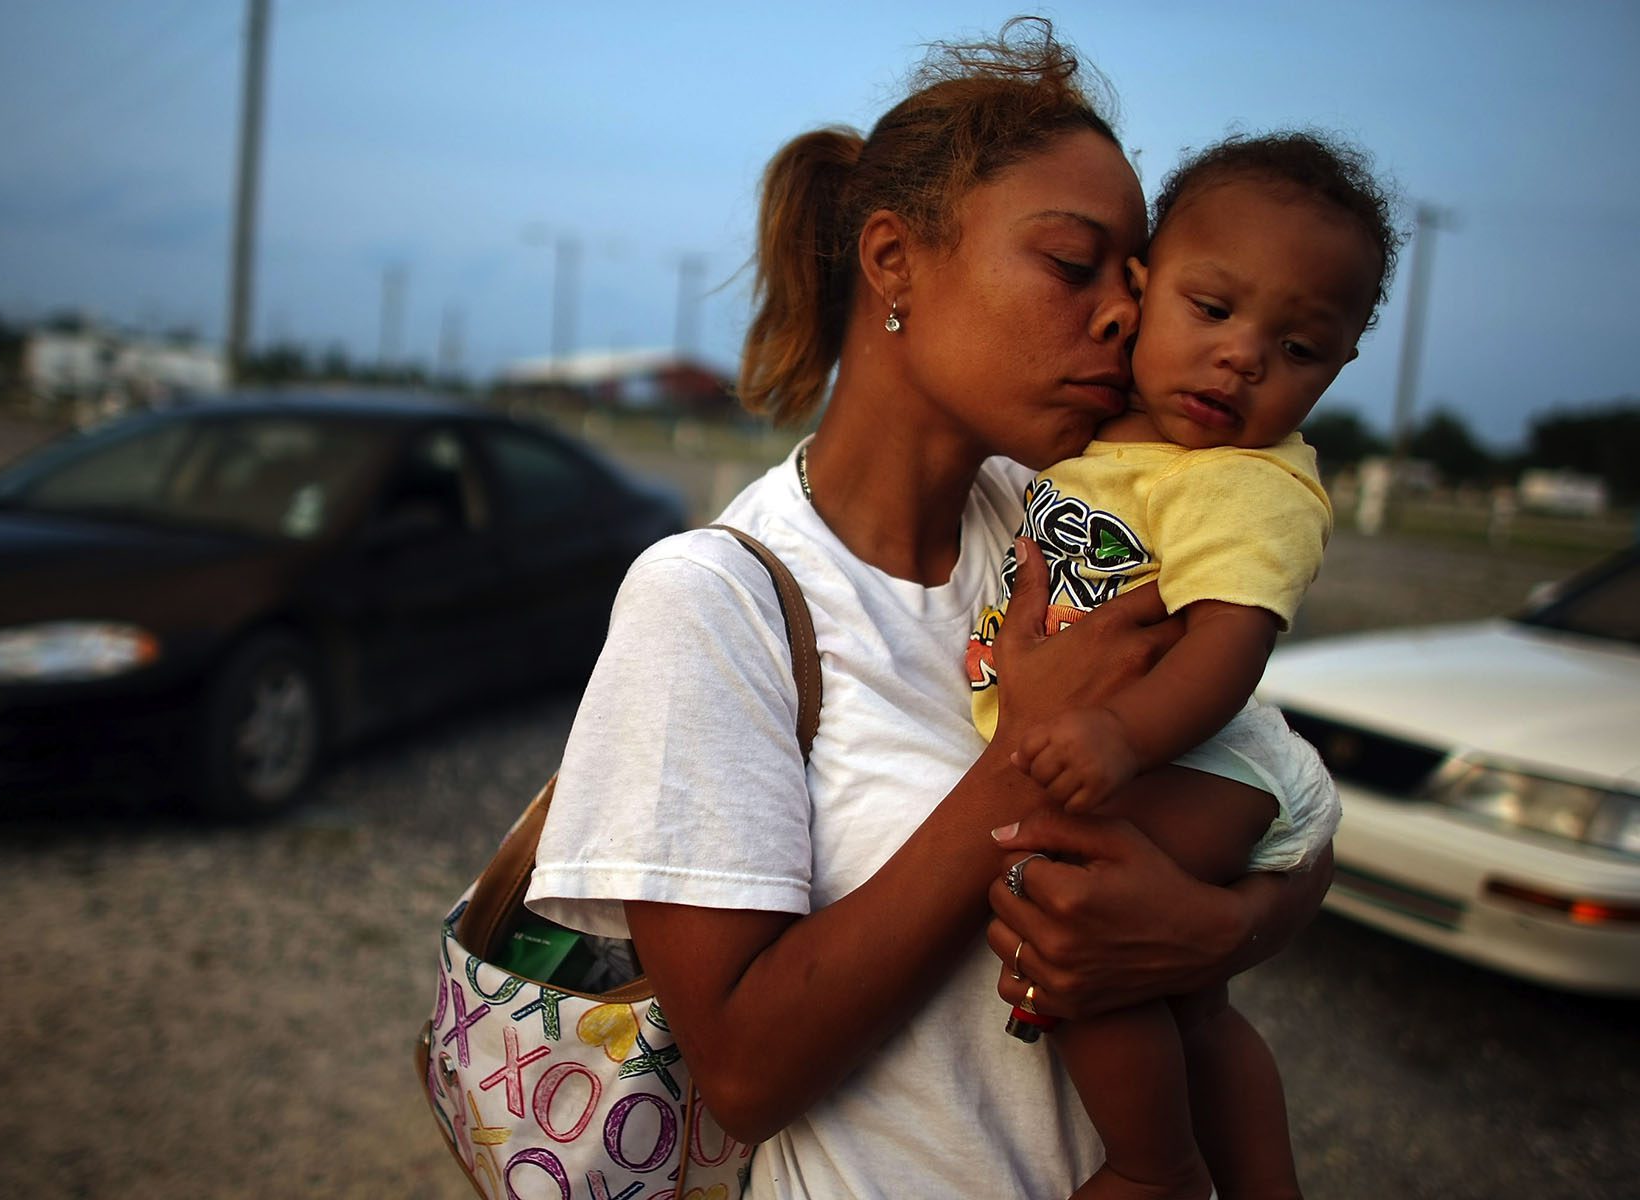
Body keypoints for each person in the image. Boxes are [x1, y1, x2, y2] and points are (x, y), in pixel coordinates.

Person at [526, 18, 1332, 1198]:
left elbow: (1286, 796)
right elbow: (743, 1073)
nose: (1122, 315)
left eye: (1136, 280)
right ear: (893, 261)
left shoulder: (1059, 524)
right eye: (1072, 265)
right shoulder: (716, 601)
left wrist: (1222, 936)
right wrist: (1022, 766)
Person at [968, 131, 1399, 1197]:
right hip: (1179, 753)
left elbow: (1228, 651)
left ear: (1340, 366)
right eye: (1213, 312)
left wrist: (1118, 734)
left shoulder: (1244, 485)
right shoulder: (1112, 433)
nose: (1245, 356)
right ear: (1143, 292)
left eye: (1298, 350)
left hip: (1210, 754)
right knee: (1198, 1006)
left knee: (1065, 900)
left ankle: (1153, 1166)